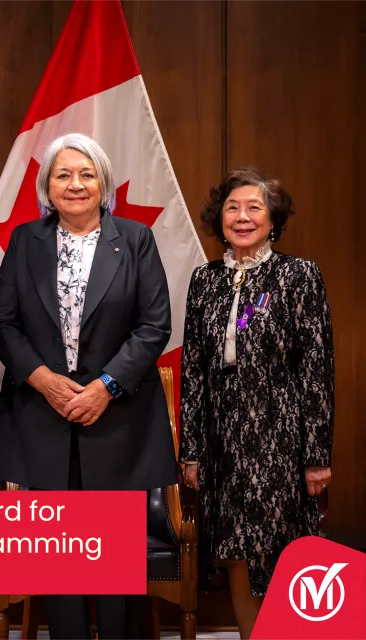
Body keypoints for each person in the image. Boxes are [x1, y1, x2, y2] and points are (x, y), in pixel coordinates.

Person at [0, 133, 176, 639]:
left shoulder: (134, 239)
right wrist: (42, 379)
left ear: (104, 183)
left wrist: (105, 387)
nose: (75, 184)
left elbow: (154, 325)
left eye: (87, 174)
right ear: (47, 187)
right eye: (63, 175)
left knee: (115, 569)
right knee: (61, 562)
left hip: (118, 421)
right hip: (43, 417)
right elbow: (4, 322)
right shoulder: (25, 241)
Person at [179, 167, 334, 639]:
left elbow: (317, 370)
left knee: (278, 547)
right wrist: (191, 451)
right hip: (221, 438)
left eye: (254, 207)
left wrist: (316, 456)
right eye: (232, 208)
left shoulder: (297, 275)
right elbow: (193, 371)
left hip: (279, 434)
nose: (242, 217)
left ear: (273, 219)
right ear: (219, 218)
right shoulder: (205, 280)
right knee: (235, 550)